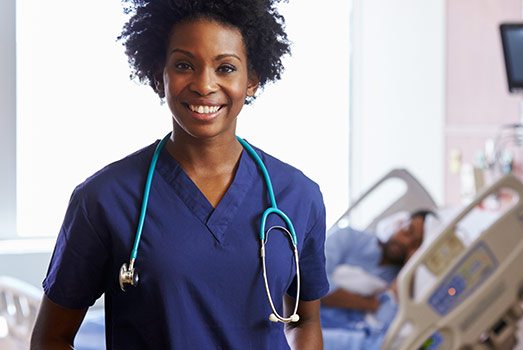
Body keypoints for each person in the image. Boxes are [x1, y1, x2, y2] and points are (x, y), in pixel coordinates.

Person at [30, 1, 328, 349]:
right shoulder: (104, 198)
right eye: (185, 65)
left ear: (252, 81)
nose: (204, 85)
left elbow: (305, 319)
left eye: (226, 68)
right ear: (161, 76)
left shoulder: (298, 196)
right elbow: (52, 337)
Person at [319, 210, 433, 331]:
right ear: (399, 224)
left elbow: (383, 328)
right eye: (408, 230)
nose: (406, 243)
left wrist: (409, 270)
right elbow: (313, 282)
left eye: (415, 245)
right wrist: (370, 304)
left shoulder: (399, 285)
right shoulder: (347, 237)